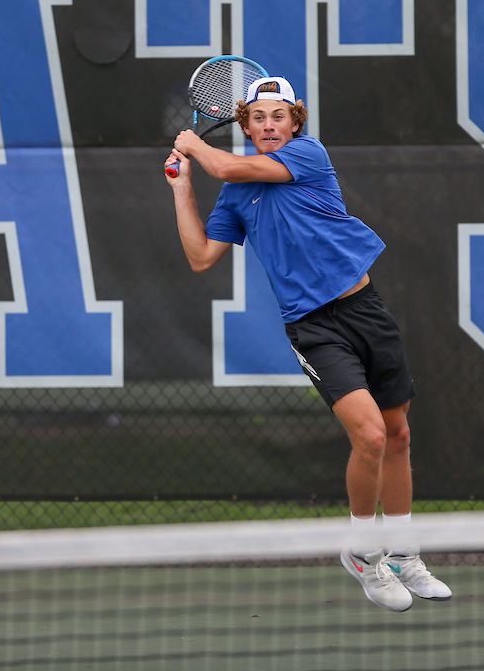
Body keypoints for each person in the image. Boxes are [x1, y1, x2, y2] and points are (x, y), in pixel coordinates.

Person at [164, 76, 451, 613]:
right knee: (370, 436)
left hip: (366, 310)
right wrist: (182, 191)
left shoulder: (308, 155)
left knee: (398, 434)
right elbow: (201, 256)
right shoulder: (236, 193)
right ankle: (363, 553)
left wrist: (193, 144)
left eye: (279, 116)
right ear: (246, 127)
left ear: (295, 123)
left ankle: (404, 554)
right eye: (258, 117)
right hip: (314, 329)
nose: (269, 125)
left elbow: (225, 166)